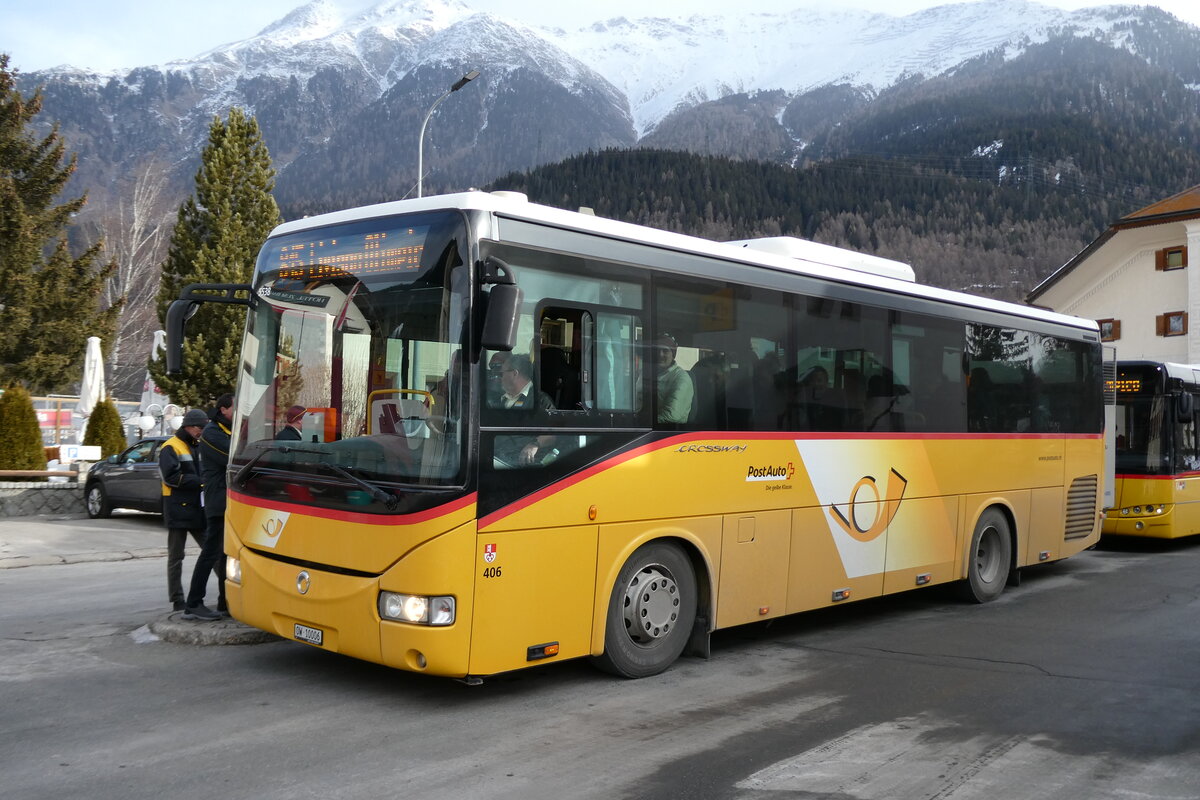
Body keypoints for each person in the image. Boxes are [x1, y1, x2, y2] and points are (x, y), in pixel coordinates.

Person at [182, 394, 233, 622]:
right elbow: (234, 457)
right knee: (211, 552)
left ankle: (225, 601)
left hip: (228, 501)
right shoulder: (212, 433)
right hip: (218, 502)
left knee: (225, 553)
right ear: (223, 410)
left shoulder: (225, 430)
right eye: (236, 407)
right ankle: (193, 603)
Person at [158, 408, 207, 612]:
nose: (202, 431)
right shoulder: (171, 447)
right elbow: (170, 477)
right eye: (199, 427)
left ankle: (226, 593)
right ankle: (177, 599)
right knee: (176, 557)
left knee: (212, 551)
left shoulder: (198, 445)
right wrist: (201, 482)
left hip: (197, 507)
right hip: (177, 507)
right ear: (188, 426)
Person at [492, 354, 556, 466]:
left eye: (502, 374)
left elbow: (554, 432)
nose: (499, 378)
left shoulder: (540, 400)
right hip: (495, 456)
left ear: (514, 374)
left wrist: (534, 444)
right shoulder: (500, 399)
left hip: (517, 462)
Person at [654, 334, 693, 425]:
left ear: (673, 355)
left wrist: (646, 423)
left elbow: (672, 415)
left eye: (665, 351)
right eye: (657, 350)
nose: (660, 354)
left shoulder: (681, 378)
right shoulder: (647, 373)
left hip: (669, 432)